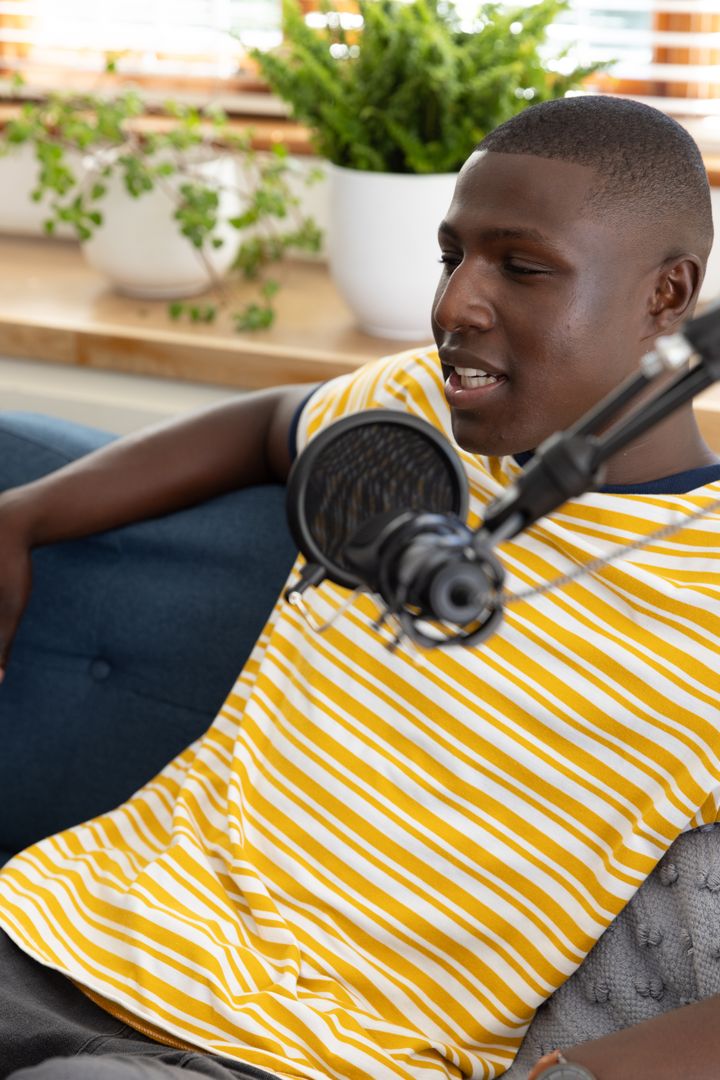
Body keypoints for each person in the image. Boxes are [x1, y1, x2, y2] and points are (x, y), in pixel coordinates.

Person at [1, 94, 719, 1080]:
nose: (455, 305)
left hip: (287, 1059)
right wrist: (24, 516)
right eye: (450, 255)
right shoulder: (411, 413)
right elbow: (271, 426)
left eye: (521, 267)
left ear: (668, 295)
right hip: (47, 932)